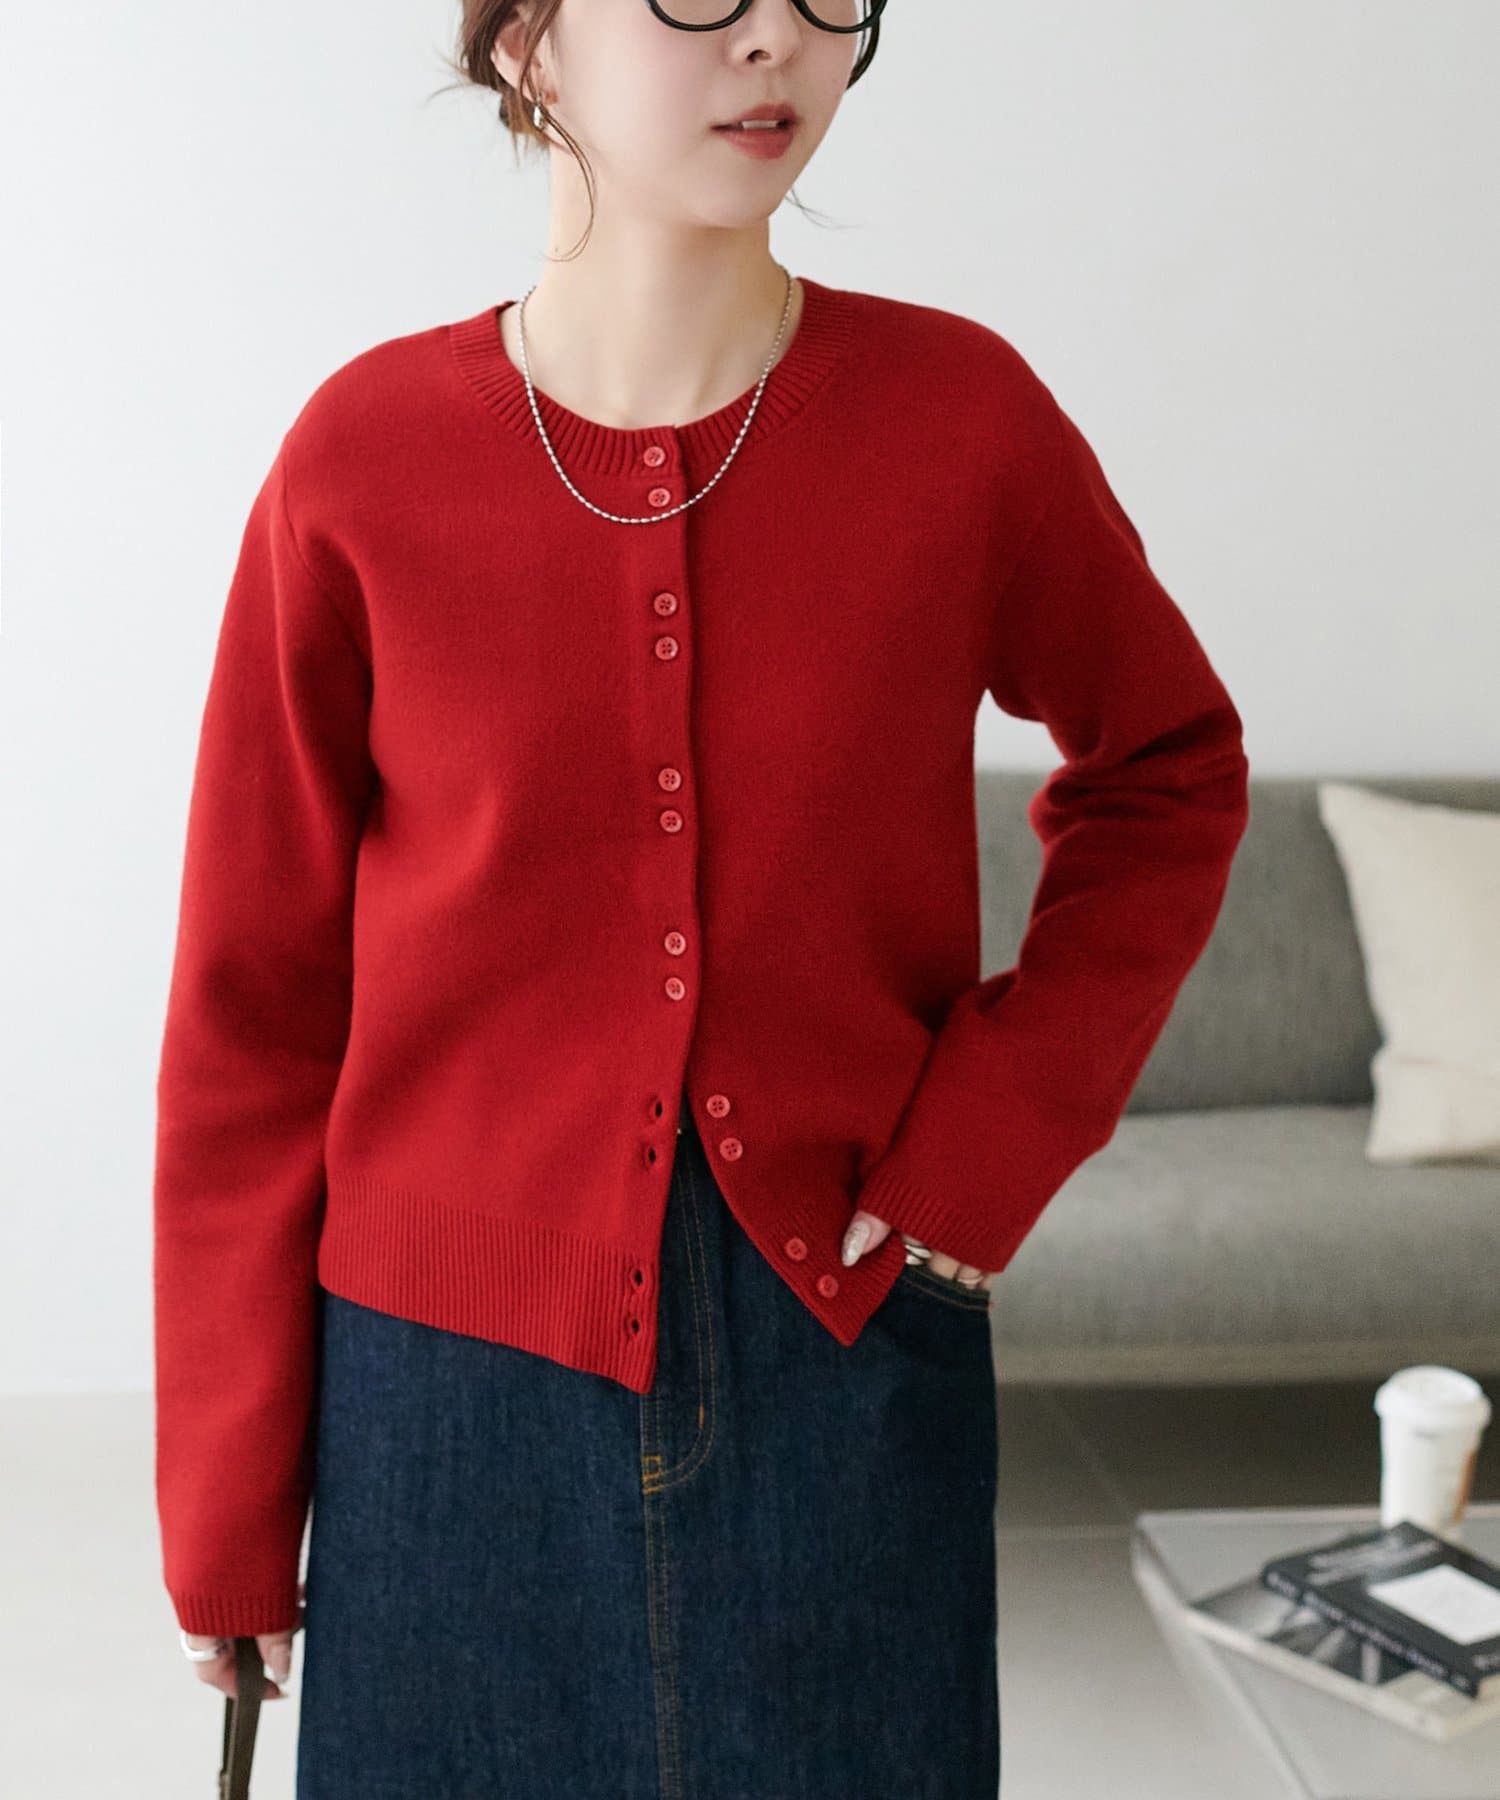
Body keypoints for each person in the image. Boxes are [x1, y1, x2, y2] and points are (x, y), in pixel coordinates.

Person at [158, 0, 1250, 1794]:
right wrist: (226, 1489)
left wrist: (991, 1139)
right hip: (441, 1404)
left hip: (845, 1342)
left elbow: (1170, 768)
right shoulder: (362, 458)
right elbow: (252, 1007)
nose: (777, 43)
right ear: (529, 44)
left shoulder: (959, 421)